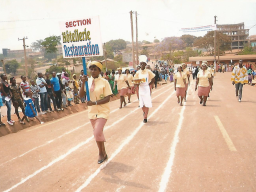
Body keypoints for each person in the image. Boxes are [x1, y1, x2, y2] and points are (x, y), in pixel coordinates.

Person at [79, 61, 113, 164]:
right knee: (98, 133)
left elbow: (107, 98)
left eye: (95, 69)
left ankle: (100, 152)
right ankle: (103, 153)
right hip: (92, 112)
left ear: (99, 71)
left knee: (97, 132)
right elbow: (81, 95)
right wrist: (82, 83)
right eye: (91, 69)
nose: (93, 71)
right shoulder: (87, 81)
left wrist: (94, 102)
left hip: (103, 111)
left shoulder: (104, 82)